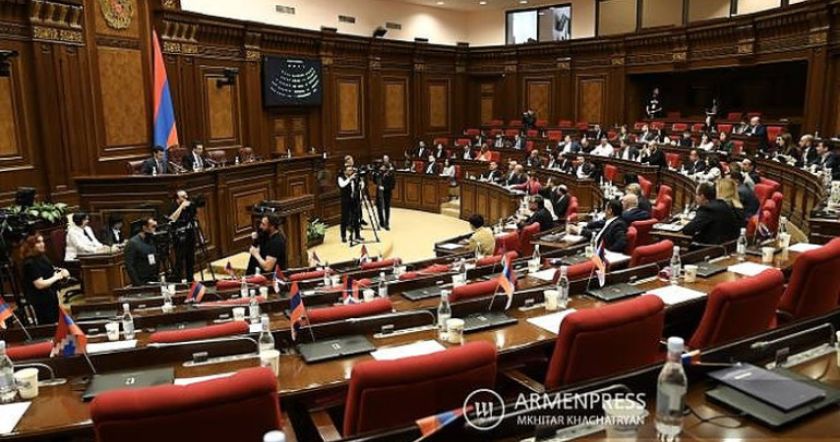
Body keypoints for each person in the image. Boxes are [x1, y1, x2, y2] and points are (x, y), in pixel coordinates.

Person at [21, 233, 69, 324]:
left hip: (50, 295)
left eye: (42, 241)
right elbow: (40, 284)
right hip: (41, 299)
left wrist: (62, 271)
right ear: (31, 245)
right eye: (38, 242)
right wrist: (57, 277)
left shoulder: (42, 257)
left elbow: (50, 269)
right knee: (49, 323)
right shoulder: (29, 263)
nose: (42, 244)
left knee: (56, 320)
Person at [168, 190, 197, 282]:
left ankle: (190, 279)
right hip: (178, 237)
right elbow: (172, 219)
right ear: (177, 198)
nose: (186, 198)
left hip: (190, 234)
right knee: (180, 260)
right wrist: (181, 207)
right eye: (183, 196)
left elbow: (193, 216)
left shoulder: (190, 206)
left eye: (186, 195)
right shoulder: (173, 207)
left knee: (190, 259)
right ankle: (178, 280)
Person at [124, 217, 159, 286]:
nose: (155, 229)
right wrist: (138, 284)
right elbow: (129, 266)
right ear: (144, 228)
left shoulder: (151, 240)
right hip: (141, 281)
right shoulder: (133, 243)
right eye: (153, 226)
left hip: (153, 279)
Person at [338, 165, 364, 242]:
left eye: (351, 170)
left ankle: (357, 235)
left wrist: (361, 180)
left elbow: (361, 187)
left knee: (356, 217)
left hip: (354, 200)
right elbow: (342, 185)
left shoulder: (354, 177)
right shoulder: (341, 178)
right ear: (345, 171)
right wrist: (350, 178)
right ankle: (343, 236)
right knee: (344, 218)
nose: (351, 171)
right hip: (345, 201)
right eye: (349, 170)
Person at [376, 157, 395, 230]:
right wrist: (377, 173)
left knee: (387, 207)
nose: (385, 161)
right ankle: (381, 221)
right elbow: (375, 181)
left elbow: (393, 184)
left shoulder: (391, 171)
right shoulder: (379, 169)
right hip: (379, 192)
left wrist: (385, 188)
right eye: (384, 160)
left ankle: (386, 223)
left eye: (386, 160)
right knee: (379, 206)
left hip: (387, 192)